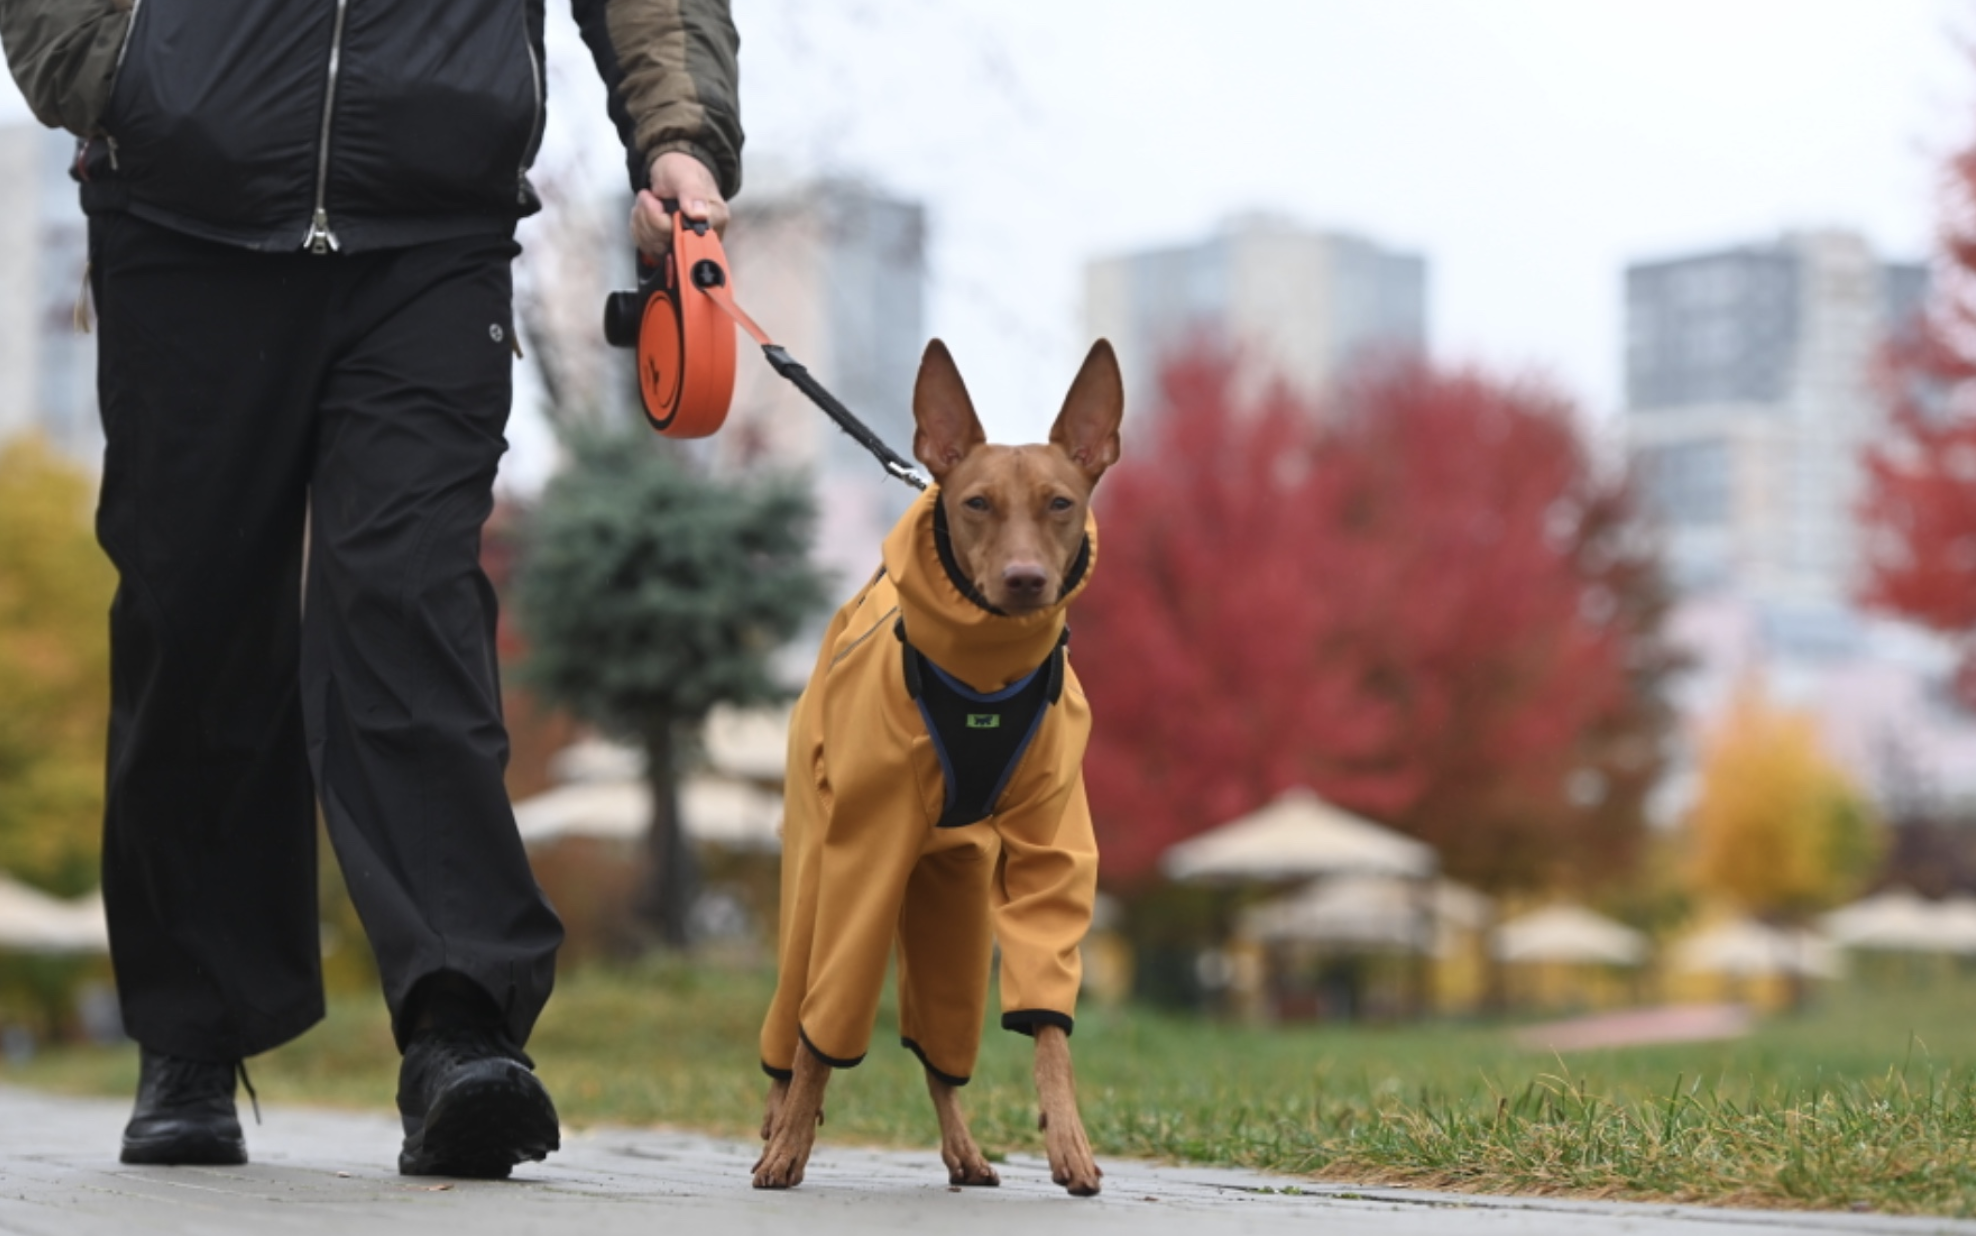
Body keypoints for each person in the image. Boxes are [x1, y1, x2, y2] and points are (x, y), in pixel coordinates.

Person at [1, 0, 740, 1177]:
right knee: (189, 617)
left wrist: (679, 135)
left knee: (407, 596)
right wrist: (118, 69)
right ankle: (190, 1031)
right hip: (183, 213)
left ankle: (459, 1027)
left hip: (432, 229)